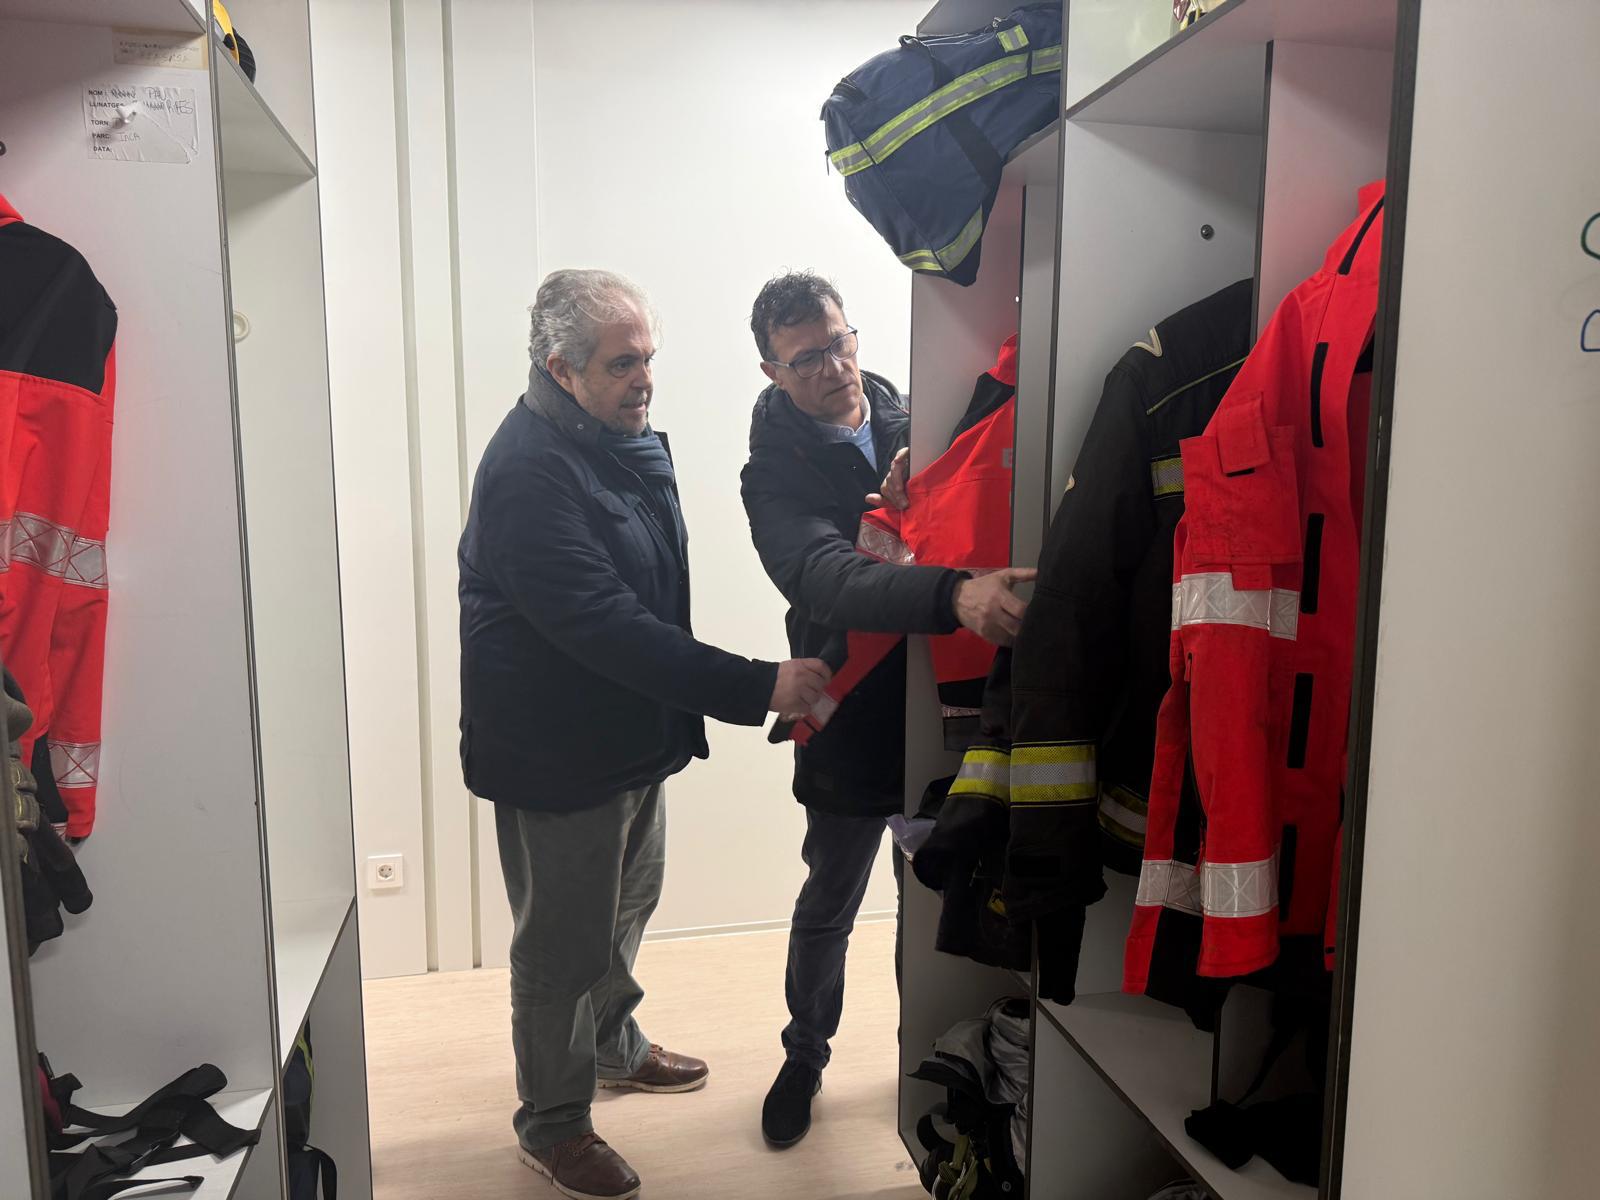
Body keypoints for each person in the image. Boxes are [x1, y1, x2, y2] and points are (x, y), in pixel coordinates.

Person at [459, 268, 831, 1200]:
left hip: (627, 732)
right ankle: (552, 1124)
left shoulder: (609, 438)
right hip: (557, 753)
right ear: (561, 367)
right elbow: (603, 623)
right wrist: (757, 686)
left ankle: (615, 1044)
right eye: (623, 363)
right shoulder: (528, 472)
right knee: (561, 949)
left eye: (647, 358)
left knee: (627, 908)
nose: (644, 379)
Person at [740, 271, 1034, 1148]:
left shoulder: (923, 416)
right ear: (772, 371)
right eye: (805, 360)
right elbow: (831, 578)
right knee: (830, 896)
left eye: (839, 343)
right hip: (848, 712)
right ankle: (804, 1054)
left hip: (945, 706)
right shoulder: (772, 477)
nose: (832, 369)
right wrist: (953, 594)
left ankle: (924, 1066)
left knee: (931, 898)